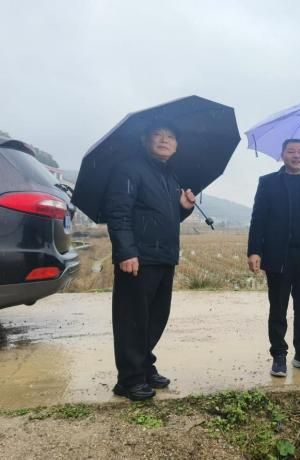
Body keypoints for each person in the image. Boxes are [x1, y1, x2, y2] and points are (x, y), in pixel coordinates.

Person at [104, 121, 196, 400]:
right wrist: (126, 252)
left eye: (170, 136)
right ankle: (129, 379)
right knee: (132, 319)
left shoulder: (170, 177)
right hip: (139, 258)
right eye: (158, 135)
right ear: (145, 139)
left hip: (164, 256)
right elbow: (118, 212)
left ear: (176, 145)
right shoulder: (130, 169)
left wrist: (183, 209)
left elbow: (164, 217)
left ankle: (144, 366)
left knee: (155, 318)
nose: (164, 140)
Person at [247, 139, 300, 378]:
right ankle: (279, 355)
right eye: (291, 151)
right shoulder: (268, 182)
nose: (296, 156)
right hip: (278, 256)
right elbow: (258, 219)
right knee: (278, 308)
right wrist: (254, 251)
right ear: (283, 154)